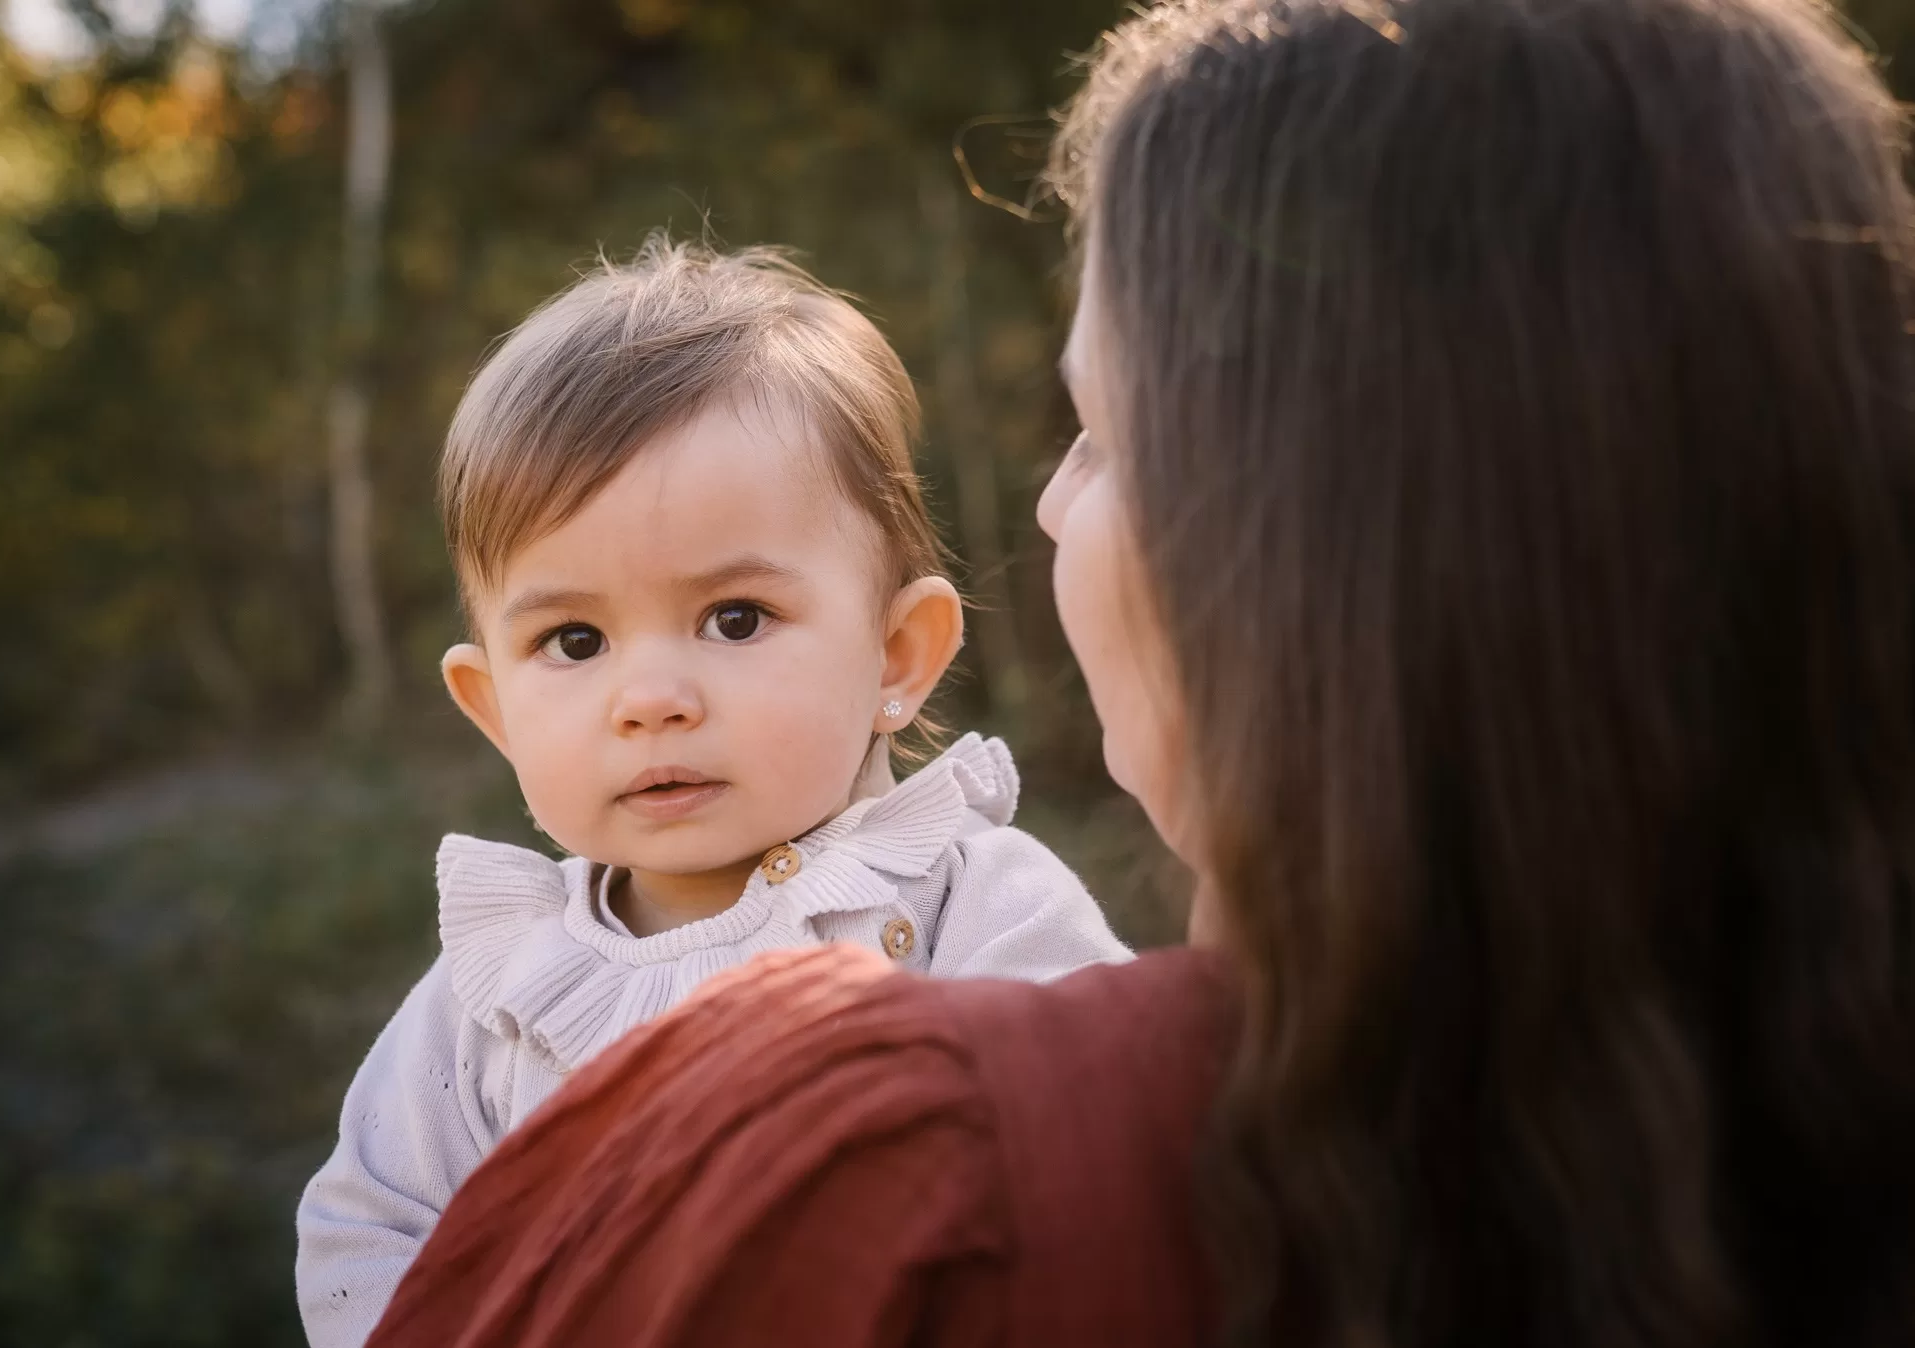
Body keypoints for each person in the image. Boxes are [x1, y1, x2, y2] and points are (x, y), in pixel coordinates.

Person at [365, 0, 1915, 1343]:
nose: (1044, 506)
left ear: (1330, 552)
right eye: (572, 638)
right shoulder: (1779, 1113)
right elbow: (369, 1215)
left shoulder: (939, 1157)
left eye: (1100, 436)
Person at [294, 238, 1130, 1348]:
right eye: (574, 639)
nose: (648, 698)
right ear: (492, 709)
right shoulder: (493, 998)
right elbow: (367, 1234)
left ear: (895, 654)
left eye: (734, 618)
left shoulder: (971, 905)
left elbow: (1114, 1166)